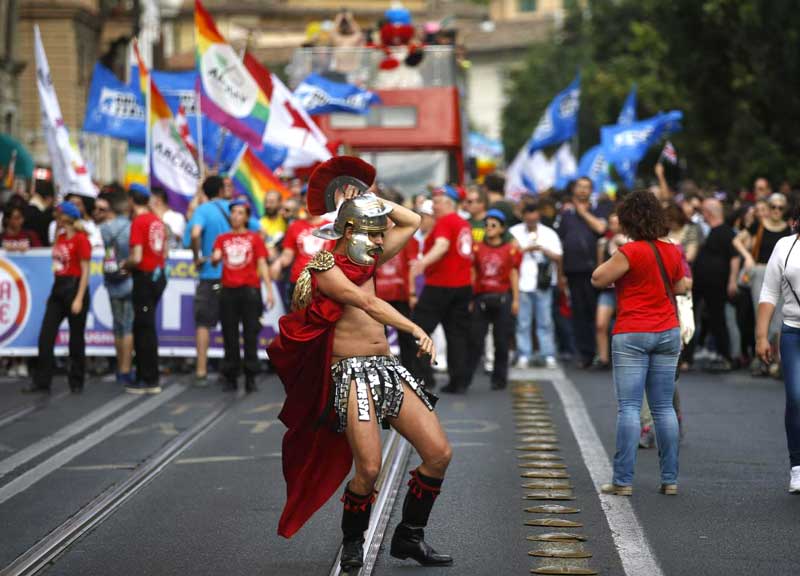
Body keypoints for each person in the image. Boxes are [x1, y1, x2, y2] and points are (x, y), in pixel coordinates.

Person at [267, 157, 452, 570]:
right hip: (350, 375)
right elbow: (367, 302)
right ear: (348, 227)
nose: (379, 236)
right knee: (368, 468)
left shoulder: (364, 257)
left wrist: (363, 194)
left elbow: (411, 222)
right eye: (369, 227)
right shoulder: (325, 267)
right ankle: (353, 543)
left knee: (438, 453)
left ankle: (409, 536)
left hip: (386, 369)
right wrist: (415, 328)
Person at [591, 189, 688, 496]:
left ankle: (622, 480)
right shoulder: (671, 250)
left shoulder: (629, 252)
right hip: (667, 331)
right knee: (663, 409)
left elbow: (597, 278)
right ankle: (669, 479)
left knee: (630, 408)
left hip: (633, 330)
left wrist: (619, 256)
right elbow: (682, 285)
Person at [185, 176, 259, 386]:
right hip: (236, 279)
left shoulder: (203, 209)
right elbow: (258, 229)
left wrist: (197, 256)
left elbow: (194, 233)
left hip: (210, 275)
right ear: (222, 189)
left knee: (205, 324)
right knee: (240, 327)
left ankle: (201, 370)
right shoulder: (236, 208)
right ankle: (246, 373)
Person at [411, 185, 473, 394]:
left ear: (448, 204)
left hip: (441, 285)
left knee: (418, 329)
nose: (434, 206)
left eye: (437, 202)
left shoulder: (446, 222)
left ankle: (423, 377)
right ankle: (459, 380)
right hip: (462, 285)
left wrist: (423, 263)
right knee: (456, 334)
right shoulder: (463, 223)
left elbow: (442, 245)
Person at [23, 201, 91, 394]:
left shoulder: (81, 240)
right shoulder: (60, 237)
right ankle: (42, 380)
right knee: (46, 335)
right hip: (59, 287)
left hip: (75, 286)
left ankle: (76, 381)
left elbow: (85, 271)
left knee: (76, 339)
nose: (56, 216)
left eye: (59, 214)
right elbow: (57, 264)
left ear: (66, 217)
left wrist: (78, 298)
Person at [756, 208, 800, 493]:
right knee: (796, 397)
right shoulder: (785, 246)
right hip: (793, 332)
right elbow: (769, 293)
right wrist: (761, 335)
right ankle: (797, 467)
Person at [211, 198, 275, 393]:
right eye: (233, 212)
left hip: (249, 291)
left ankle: (250, 376)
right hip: (228, 291)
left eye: (240, 213)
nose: (235, 216)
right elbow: (215, 259)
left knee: (250, 334)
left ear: (246, 217)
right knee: (229, 335)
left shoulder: (254, 238)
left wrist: (269, 290)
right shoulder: (222, 238)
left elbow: (262, 264)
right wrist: (214, 259)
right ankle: (230, 375)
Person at [734, 193, 792, 376]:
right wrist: (749, 257)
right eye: (773, 206)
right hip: (760, 273)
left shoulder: (789, 229)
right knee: (762, 313)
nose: (776, 210)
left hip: (782, 275)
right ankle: (760, 359)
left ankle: (776, 360)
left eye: (780, 207)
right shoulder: (759, 226)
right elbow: (736, 240)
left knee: (779, 317)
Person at [558, 177, 609, 368]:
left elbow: (602, 228)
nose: (582, 191)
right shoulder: (566, 214)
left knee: (596, 312)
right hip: (573, 271)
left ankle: (602, 352)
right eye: (579, 187)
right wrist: (561, 274)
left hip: (595, 272)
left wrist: (583, 213)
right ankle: (585, 354)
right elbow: (561, 245)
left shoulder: (599, 209)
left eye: (586, 188)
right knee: (578, 313)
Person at [468, 208, 520, 389]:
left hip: (503, 298)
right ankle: (465, 378)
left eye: (493, 225)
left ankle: (499, 379)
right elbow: (473, 273)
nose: (489, 228)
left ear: (502, 229)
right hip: (481, 298)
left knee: (501, 341)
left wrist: (515, 300)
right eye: (487, 224)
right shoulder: (477, 248)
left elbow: (514, 274)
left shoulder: (510, 250)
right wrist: (471, 298)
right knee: (475, 339)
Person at [124, 185, 168, 395]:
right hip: (158, 276)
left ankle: (148, 379)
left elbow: (137, 256)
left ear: (132, 200)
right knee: (146, 325)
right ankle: (146, 375)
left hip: (144, 277)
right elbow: (164, 252)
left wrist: (125, 264)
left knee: (143, 328)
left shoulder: (139, 221)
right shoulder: (157, 221)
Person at [510, 200, 563, 369]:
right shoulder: (514, 232)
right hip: (522, 282)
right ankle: (524, 354)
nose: (532, 218)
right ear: (524, 215)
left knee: (545, 321)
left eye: (534, 215)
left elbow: (559, 256)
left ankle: (547, 354)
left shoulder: (548, 233)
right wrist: (525, 250)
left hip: (543, 282)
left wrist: (544, 250)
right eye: (528, 215)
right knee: (523, 321)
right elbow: (508, 254)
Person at [690, 198, 738, 370]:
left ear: (708, 212)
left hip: (716, 284)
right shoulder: (709, 231)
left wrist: (732, 280)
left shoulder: (726, 232)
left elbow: (735, 257)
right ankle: (687, 357)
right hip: (701, 283)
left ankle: (726, 356)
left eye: (703, 211)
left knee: (717, 319)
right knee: (691, 317)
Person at [99, 191, 134, 385]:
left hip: (112, 277)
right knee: (128, 325)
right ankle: (126, 368)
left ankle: (120, 364)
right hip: (128, 277)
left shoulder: (105, 228)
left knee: (117, 325)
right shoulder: (131, 227)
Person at [593, 212, 627, 370]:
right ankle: (603, 358)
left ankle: (624, 357)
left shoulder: (631, 243)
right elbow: (600, 268)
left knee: (624, 326)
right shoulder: (603, 243)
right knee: (601, 324)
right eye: (612, 223)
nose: (615, 226)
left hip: (625, 290)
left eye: (618, 222)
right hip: (608, 290)